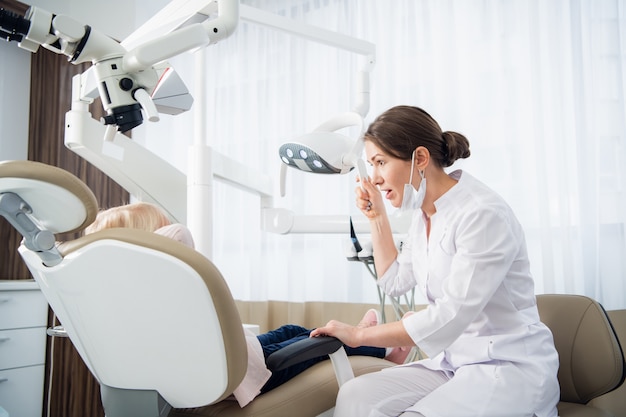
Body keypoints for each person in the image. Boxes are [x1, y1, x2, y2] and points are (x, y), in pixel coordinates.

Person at [310, 105, 560, 417]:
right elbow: (394, 281)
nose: (373, 178)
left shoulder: (482, 214)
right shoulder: (425, 215)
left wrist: (359, 336)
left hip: (506, 367)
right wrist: (376, 216)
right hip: (452, 363)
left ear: (421, 159)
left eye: (380, 162)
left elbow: (450, 316)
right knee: (356, 394)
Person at [85, 202, 411, 407]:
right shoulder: (147, 282)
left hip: (241, 355)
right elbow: (179, 234)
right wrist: (132, 246)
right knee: (323, 342)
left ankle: (366, 337)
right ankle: (383, 350)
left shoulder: (130, 294)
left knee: (294, 329)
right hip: (247, 372)